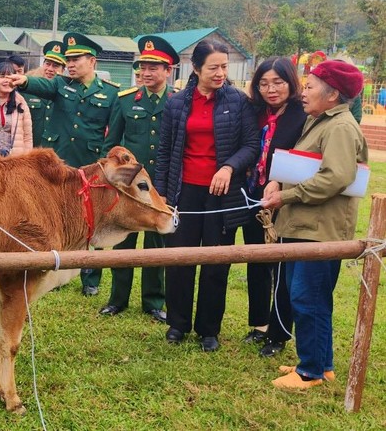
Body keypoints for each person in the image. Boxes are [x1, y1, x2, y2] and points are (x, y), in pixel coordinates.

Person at [262, 60, 367, 389]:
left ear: (333, 93)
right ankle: (322, 363)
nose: (302, 92)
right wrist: (279, 182)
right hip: (304, 226)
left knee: (307, 298)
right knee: (310, 297)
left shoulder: (340, 127)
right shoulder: (321, 121)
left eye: (310, 87)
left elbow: (335, 177)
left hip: (320, 231)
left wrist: (287, 196)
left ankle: (310, 372)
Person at [154, 39, 259, 352]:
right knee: (179, 260)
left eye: (225, 67)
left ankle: (208, 329)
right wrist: (162, 196)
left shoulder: (238, 101)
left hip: (221, 198)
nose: (220, 73)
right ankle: (178, 323)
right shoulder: (176, 103)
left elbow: (251, 145)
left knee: (216, 263)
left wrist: (228, 168)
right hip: (184, 193)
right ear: (196, 68)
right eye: (213, 67)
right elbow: (164, 153)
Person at [8, 32, 121, 296]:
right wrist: (24, 80)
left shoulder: (111, 94)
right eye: (67, 60)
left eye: (76, 59)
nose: (70, 64)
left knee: (92, 222)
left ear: (92, 61)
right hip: (59, 166)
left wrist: (102, 167)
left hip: (89, 165)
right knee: (56, 220)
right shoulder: (59, 84)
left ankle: (90, 279)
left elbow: (112, 135)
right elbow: (40, 86)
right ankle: (55, 274)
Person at [102, 36, 179, 322]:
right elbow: (110, 144)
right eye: (142, 67)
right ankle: (117, 299)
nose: (146, 73)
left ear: (168, 71)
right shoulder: (125, 101)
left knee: (157, 243)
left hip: (160, 184)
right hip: (130, 187)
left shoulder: (176, 102)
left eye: (153, 68)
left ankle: (153, 301)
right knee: (123, 240)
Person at [241, 57, 307, 357]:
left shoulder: (302, 114)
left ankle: (279, 333)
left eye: (278, 82)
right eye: (264, 83)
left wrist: (280, 182)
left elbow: (304, 158)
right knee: (256, 260)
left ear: (290, 83)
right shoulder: (254, 112)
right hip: (252, 194)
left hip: (284, 198)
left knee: (280, 264)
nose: (271, 89)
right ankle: (259, 324)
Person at [24, 40, 66, 149]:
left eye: (56, 66)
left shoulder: (67, 92)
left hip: (55, 153)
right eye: (47, 64)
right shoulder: (27, 88)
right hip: (30, 151)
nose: (50, 69)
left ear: (63, 69)